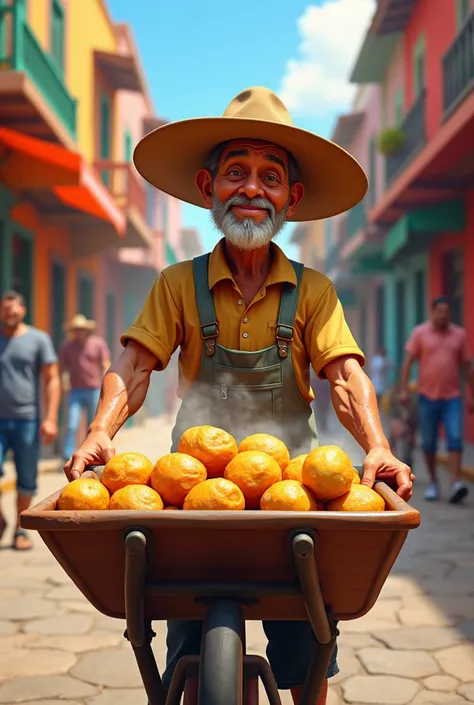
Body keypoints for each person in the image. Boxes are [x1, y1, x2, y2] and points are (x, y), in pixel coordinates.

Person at [64, 87, 413, 705]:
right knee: (188, 649)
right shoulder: (177, 284)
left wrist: (377, 446)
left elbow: (346, 377)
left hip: (299, 494)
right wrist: (100, 432)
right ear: (208, 187)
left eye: (270, 177)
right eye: (236, 173)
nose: (252, 189)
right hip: (191, 492)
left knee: (311, 645)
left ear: (292, 198)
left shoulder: (313, 292)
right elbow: (136, 364)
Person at [0, 290, 60, 550]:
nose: (9, 313)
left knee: (26, 477)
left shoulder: (38, 339)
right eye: (5, 309)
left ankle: (19, 531)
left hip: (27, 420)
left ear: (23, 310)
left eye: (14, 309)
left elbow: (52, 379)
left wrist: (50, 418)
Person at [400, 296, 474, 503]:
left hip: (452, 399)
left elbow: (468, 366)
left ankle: (455, 482)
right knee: (429, 443)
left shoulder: (459, 335)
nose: (443, 315)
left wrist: (472, 395)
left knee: (455, 439)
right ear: (432, 312)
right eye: (439, 311)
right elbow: (407, 364)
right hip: (427, 397)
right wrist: (404, 391)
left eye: (446, 311)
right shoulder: (420, 333)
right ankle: (433, 482)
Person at [59, 314, 110, 462]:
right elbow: (62, 367)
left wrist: (106, 384)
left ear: (86, 330)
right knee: (71, 424)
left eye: (81, 329)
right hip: (75, 390)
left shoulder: (97, 343)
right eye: (76, 329)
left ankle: (92, 453)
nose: (79, 332)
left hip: (94, 389)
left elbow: (105, 364)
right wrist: (64, 382)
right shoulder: (67, 347)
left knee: (93, 424)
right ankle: (67, 455)